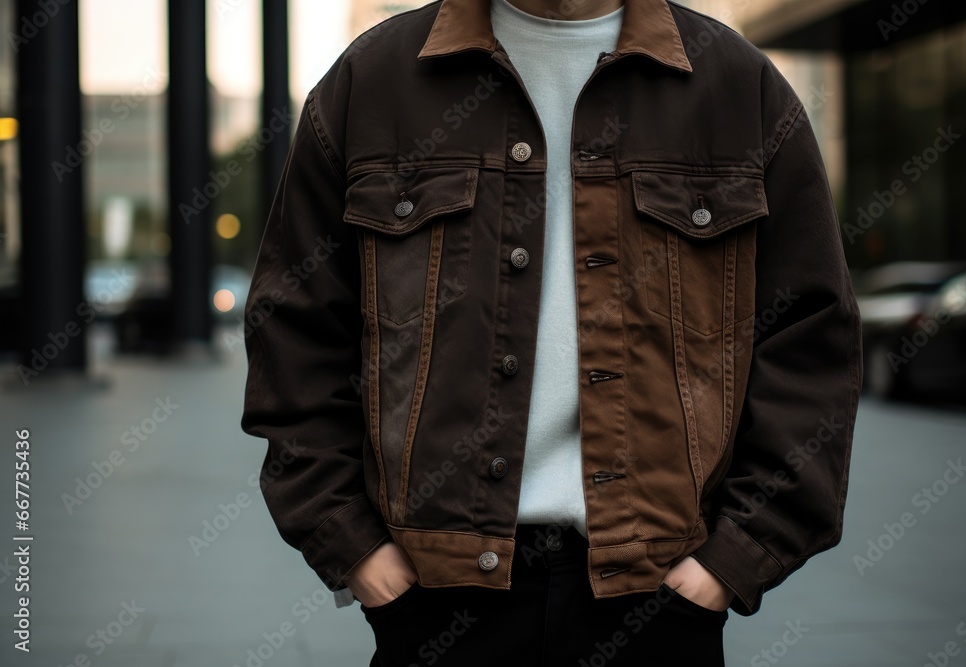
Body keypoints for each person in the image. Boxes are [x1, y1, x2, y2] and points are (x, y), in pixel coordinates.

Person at [240, 0, 863, 664]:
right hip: (436, 602)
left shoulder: (736, 85)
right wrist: (359, 553)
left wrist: (728, 564)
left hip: (658, 599)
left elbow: (811, 341)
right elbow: (294, 334)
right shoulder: (374, 80)